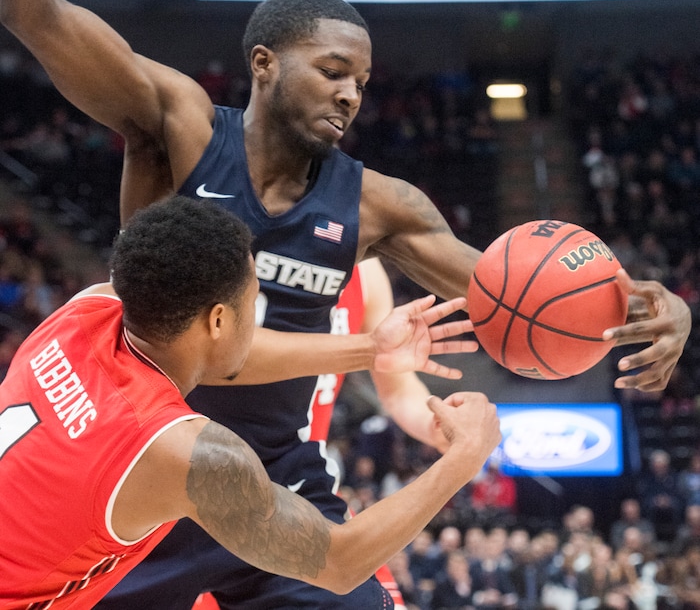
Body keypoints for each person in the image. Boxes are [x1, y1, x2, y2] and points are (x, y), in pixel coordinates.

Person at [0, 0, 691, 608]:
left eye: (360, 81)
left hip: (273, 473)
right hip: (145, 470)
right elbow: (37, 13)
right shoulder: (181, 125)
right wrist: (371, 355)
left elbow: (519, 303)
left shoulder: (376, 206)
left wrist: (648, 309)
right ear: (263, 63)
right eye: (332, 71)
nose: (349, 95)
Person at [0, 195, 503, 608]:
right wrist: (463, 458)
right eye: (252, 300)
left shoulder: (86, 310)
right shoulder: (181, 450)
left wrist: (370, 349)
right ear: (218, 320)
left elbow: (233, 355)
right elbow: (339, 562)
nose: (257, 318)